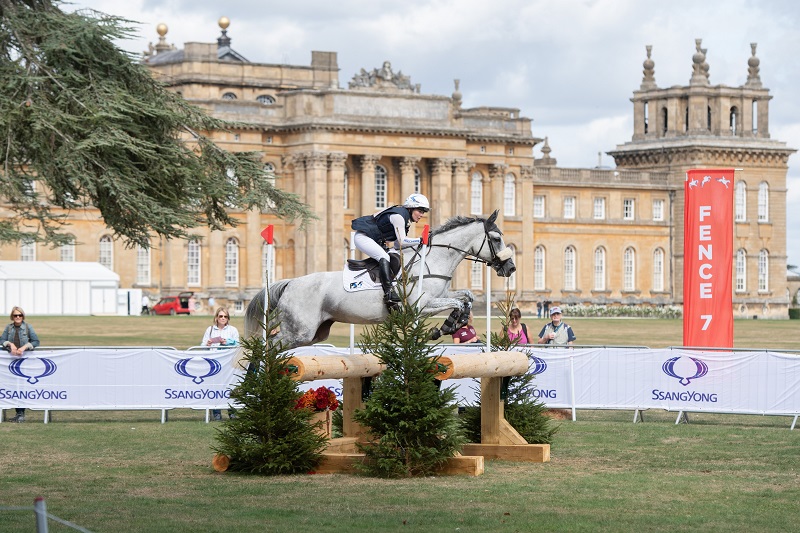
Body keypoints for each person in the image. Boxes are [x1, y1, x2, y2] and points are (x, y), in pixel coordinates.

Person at [351, 193, 430, 309]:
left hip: (372, 239)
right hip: (363, 237)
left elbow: (398, 246)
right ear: (411, 208)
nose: (421, 215)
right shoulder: (399, 217)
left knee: (394, 255)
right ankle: (388, 293)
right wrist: (420, 240)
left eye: (423, 212)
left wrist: (416, 245)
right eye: (420, 211)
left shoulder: (405, 219)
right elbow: (402, 241)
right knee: (384, 257)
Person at [1, 306, 40, 423]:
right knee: (13, 387)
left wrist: (24, 347)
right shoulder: (8, 328)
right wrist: (10, 344)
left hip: (24, 362)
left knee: (22, 387)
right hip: (10, 362)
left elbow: (36, 341)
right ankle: (18, 413)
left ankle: (21, 413)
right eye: (15, 315)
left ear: (23, 316)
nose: (18, 317)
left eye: (20, 315)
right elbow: (1, 340)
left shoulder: (28, 327)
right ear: (12, 317)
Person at [201, 307, 240, 421]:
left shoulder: (233, 330)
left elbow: (238, 343)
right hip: (214, 362)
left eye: (225, 316)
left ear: (228, 318)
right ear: (216, 318)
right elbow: (202, 345)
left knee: (231, 387)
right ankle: (216, 412)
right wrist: (207, 344)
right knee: (216, 387)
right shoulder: (210, 330)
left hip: (229, 362)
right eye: (221, 316)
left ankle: (232, 411)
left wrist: (227, 342)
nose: (223, 318)